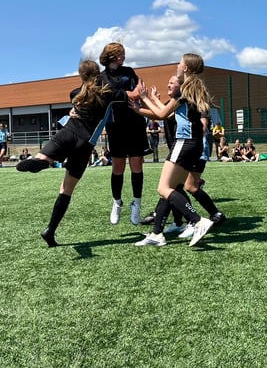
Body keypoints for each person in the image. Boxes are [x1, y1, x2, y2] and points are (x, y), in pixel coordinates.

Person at [16, 60, 116, 247]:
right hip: (85, 143)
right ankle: (50, 230)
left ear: (80, 76)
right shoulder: (107, 94)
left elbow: (79, 99)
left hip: (67, 133)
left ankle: (43, 162)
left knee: (42, 157)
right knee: (66, 189)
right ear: (98, 74)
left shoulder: (75, 94)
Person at [133, 54, 215, 247]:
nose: (177, 66)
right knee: (171, 188)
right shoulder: (195, 89)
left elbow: (161, 114)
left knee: (164, 188)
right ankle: (157, 234)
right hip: (193, 145)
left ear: (185, 68)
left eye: (180, 63)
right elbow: (165, 112)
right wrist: (146, 100)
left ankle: (197, 221)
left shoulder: (185, 90)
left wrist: (144, 100)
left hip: (184, 143)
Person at [99, 42, 150, 226]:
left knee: (137, 164)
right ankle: (117, 202)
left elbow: (139, 92)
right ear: (111, 55)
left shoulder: (129, 71)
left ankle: (136, 203)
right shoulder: (101, 77)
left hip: (135, 123)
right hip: (115, 126)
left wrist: (124, 94)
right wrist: (129, 94)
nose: (123, 57)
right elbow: (106, 96)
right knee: (118, 166)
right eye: (120, 54)